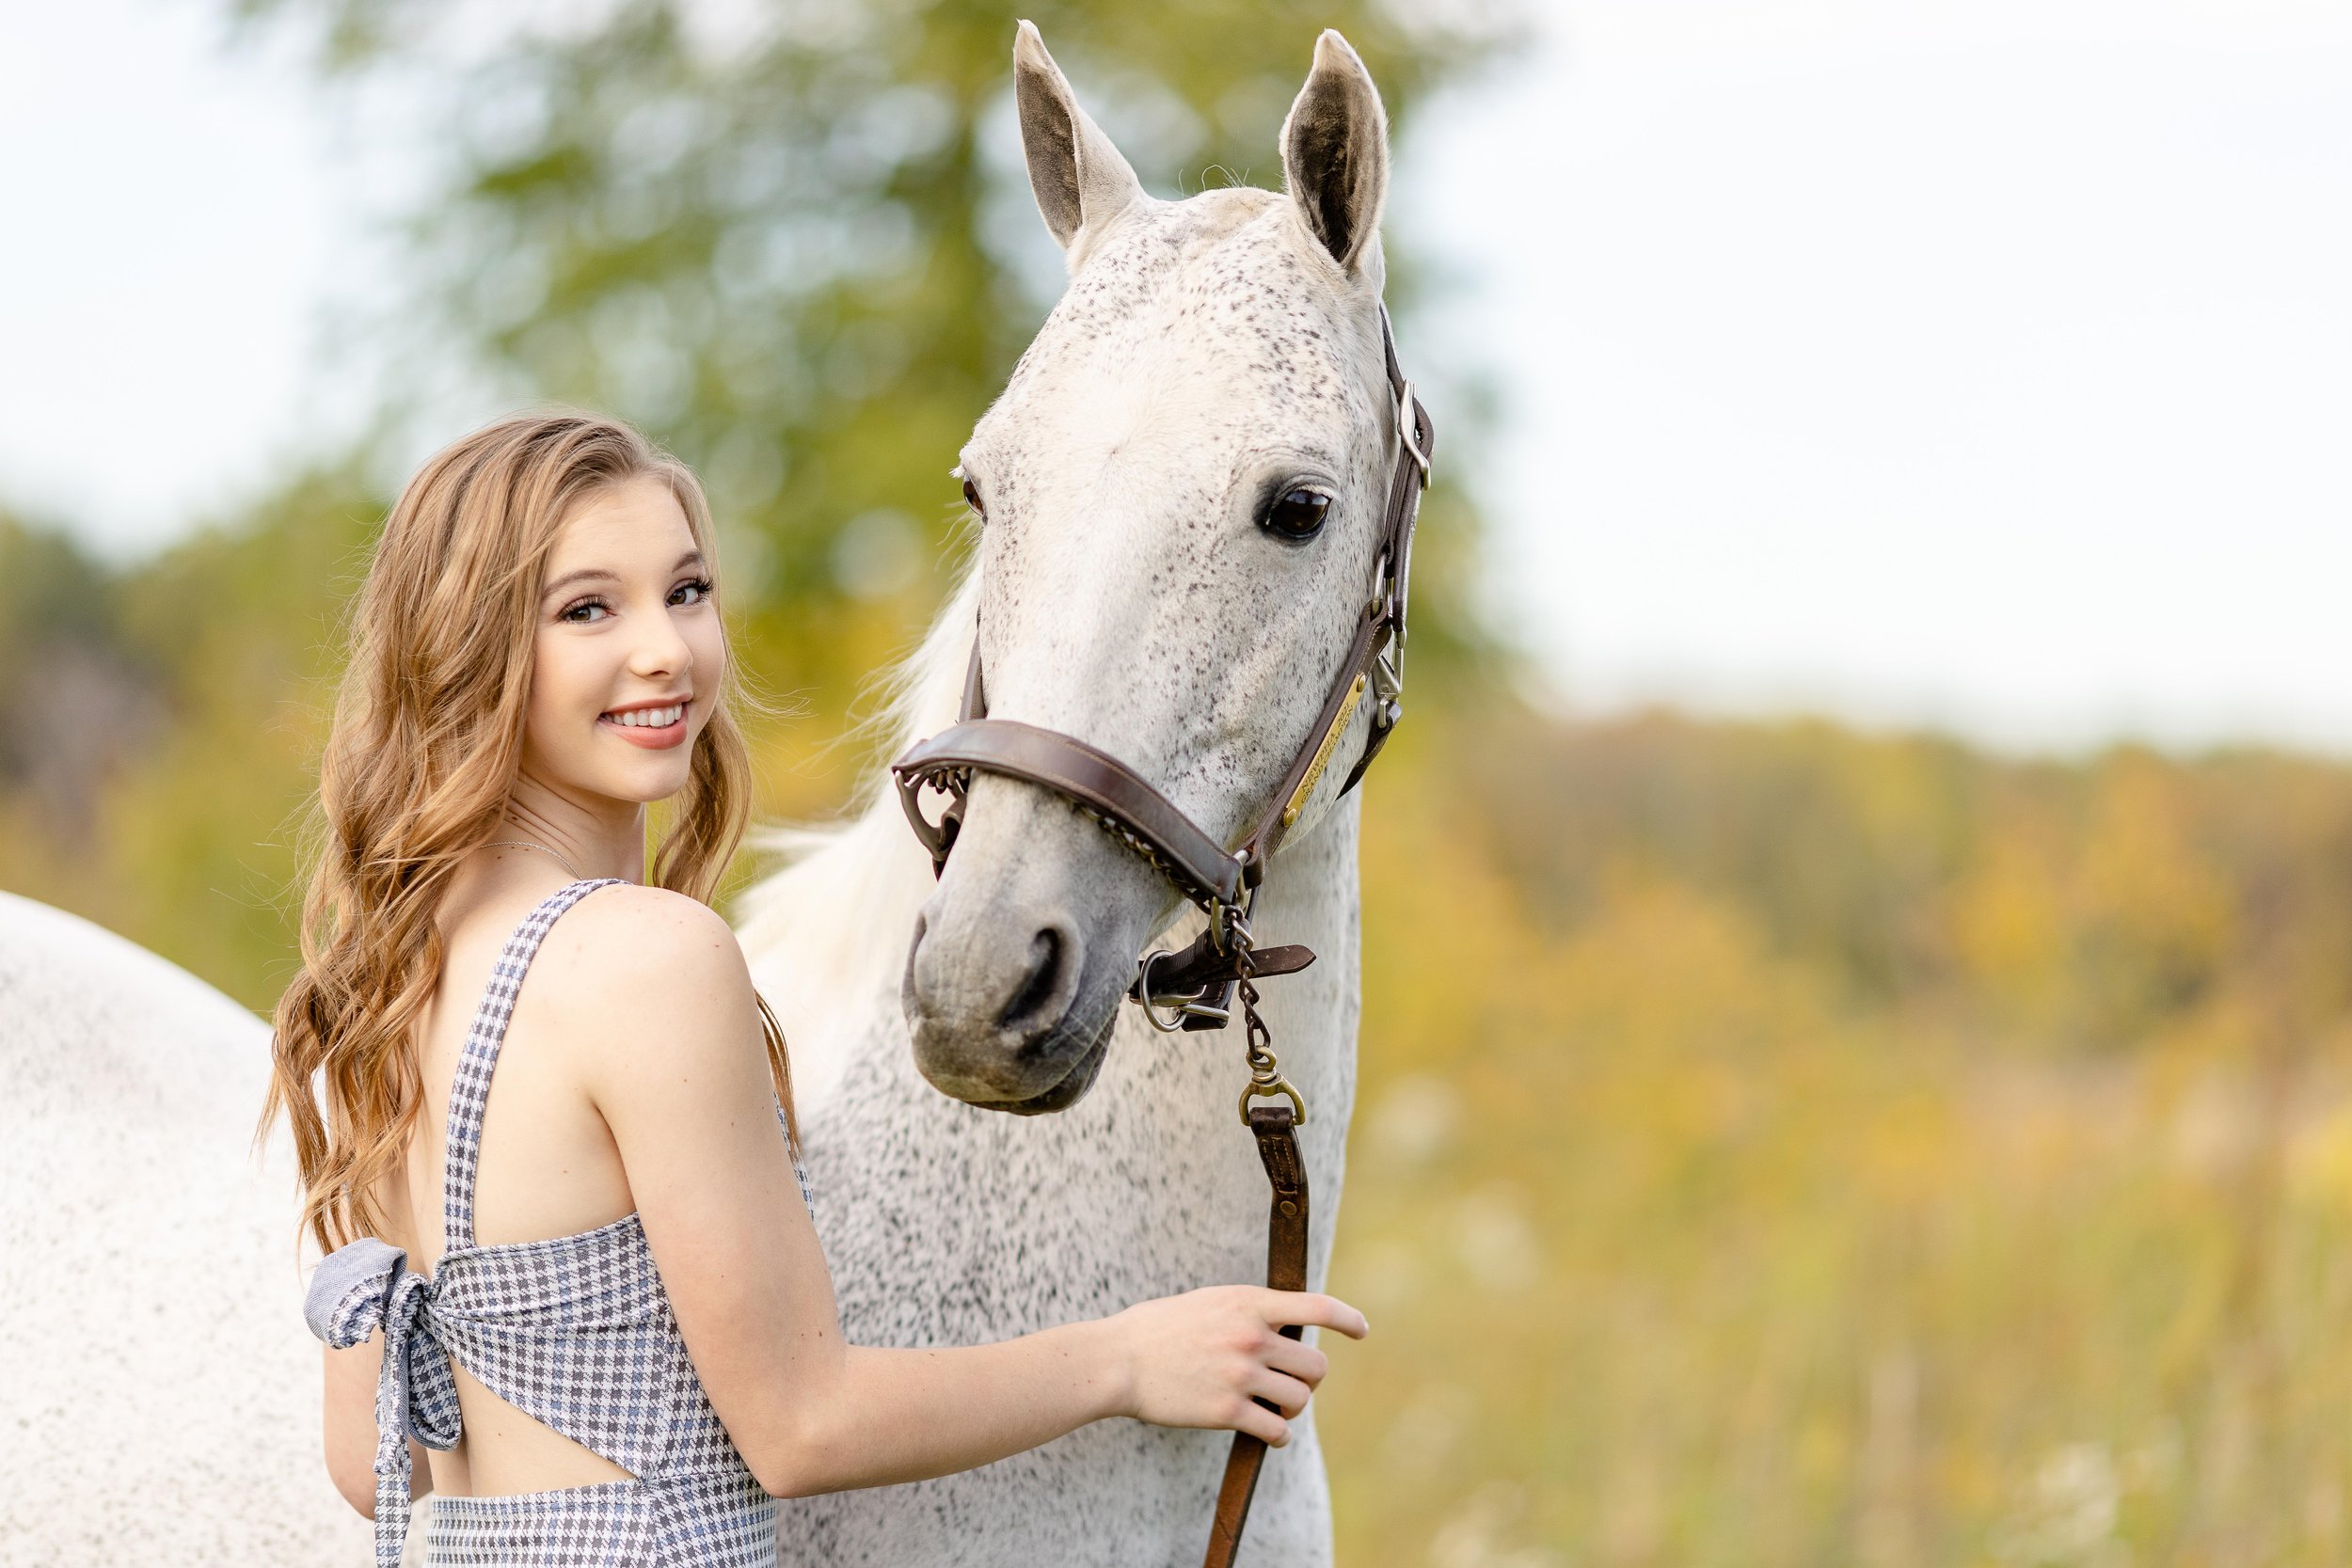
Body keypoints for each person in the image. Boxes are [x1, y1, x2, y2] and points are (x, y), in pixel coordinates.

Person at [262, 412, 1366, 1567]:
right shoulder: (646, 957)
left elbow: (372, 1456)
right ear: (467, 645)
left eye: (685, 590)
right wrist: (1130, 1359)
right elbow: (798, 1423)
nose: (665, 650)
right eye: (587, 608)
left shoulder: (389, 972)